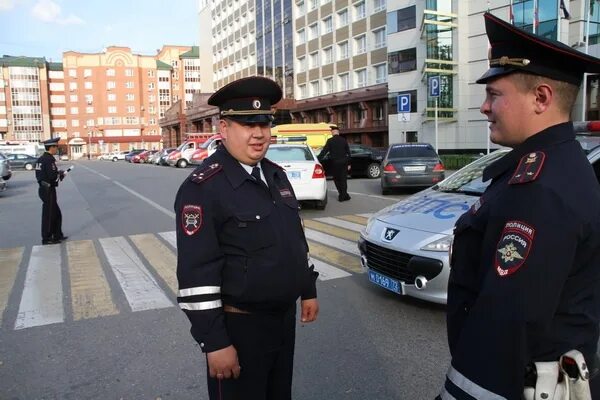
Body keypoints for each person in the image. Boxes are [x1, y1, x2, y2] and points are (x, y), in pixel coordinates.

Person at [437, 12, 600, 400]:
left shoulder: (540, 188)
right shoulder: (550, 167)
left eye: (494, 95)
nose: (483, 107)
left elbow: (509, 325)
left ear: (541, 98)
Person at [174, 76, 319, 400]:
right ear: (223, 129)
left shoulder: (275, 174)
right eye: (246, 124)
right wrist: (215, 342)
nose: (259, 134)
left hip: (281, 322)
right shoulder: (204, 188)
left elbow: (293, 239)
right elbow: (196, 274)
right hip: (238, 330)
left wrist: (306, 288)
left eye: (264, 123)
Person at [35, 137, 67, 245]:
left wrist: (58, 174)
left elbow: (41, 175)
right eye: (56, 147)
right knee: (49, 215)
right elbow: (52, 176)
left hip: (43, 189)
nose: (56, 149)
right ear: (51, 147)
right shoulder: (49, 159)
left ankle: (57, 235)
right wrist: (60, 174)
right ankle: (47, 238)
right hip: (48, 190)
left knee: (56, 214)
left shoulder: (41, 159)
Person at [318, 125, 351, 201]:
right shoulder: (344, 140)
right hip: (344, 162)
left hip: (335, 163)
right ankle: (344, 195)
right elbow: (348, 153)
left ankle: (342, 195)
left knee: (336, 179)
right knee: (343, 179)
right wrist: (349, 163)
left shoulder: (330, 141)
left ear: (333, 132)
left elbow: (324, 152)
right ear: (338, 132)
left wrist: (317, 159)